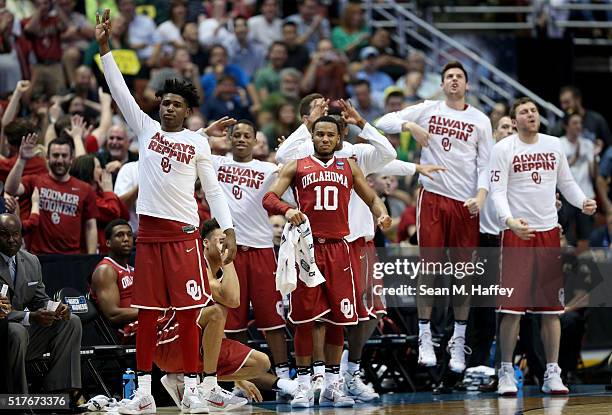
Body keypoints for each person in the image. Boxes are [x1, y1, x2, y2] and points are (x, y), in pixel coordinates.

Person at [95, 10, 237, 414]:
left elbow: (212, 189)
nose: (167, 108)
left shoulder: (199, 143)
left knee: (192, 313)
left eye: (176, 104)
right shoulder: (145, 129)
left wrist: (227, 229)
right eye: (164, 102)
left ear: (188, 110)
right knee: (148, 316)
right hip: (150, 239)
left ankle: (193, 387)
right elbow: (120, 89)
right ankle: (143, 394)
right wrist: (106, 48)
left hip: (184, 237)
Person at [264, 114, 393, 408]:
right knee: (305, 321)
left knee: (338, 319)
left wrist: (382, 214)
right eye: (319, 134)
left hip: (339, 249)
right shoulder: (297, 165)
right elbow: (270, 198)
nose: (324, 139)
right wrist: (287, 209)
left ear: (338, 139)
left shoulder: (349, 165)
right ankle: (304, 386)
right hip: (307, 250)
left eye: (329, 135)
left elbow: (373, 198)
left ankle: (334, 386)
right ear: (313, 137)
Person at [376, 61, 493, 374]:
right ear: (442, 84)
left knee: (464, 274)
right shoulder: (427, 109)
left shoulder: (480, 120)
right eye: (449, 77)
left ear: (467, 84)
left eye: (459, 76)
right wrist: (408, 126)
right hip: (433, 197)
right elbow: (383, 121)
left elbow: (487, 165)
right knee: (429, 267)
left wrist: (481, 196)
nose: (454, 80)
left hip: (465, 202)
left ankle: (458, 339)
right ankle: (424, 335)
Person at [89, 219, 281, 408]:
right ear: (205, 242)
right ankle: (205, 384)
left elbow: (220, 322)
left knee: (260, 363)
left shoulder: (218, 274)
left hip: (193, 340)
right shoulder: (197, 266)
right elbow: (231, 299)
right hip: (164, 337)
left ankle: (191, 380)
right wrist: (228, 260)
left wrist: (239, 378)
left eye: (229, 241)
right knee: (216, 311)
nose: (226, 245)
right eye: (221, 240)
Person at [489, 97, 597, 396]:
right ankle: (506, 371)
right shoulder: (503, 149)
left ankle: (553, 372)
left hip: (549, 234)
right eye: (524, 112)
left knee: (551, 311)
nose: (530, 115)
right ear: (515, 119)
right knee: (512, 310)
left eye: (534, 111)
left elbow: (567, 182)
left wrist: (582, 202)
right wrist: (509, 220)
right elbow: (497, 192)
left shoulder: (553, 144)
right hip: (518, 235)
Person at [204, 120, 292, 398]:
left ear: (256, 141)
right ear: (228, 138)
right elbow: (191, 146)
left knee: (273, 321)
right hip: (229, 253)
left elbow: (292, 180)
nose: (241, 139)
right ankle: (239, 381)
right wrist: (209, 134)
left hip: (262, 249)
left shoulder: (268, 170)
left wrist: (289, 148)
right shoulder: (215, 163)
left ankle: (285, 377)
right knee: (234, 322)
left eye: (247, 136)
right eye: (236, 135)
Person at [2, 213, 82, 398]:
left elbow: (40, 299)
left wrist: (55, 307)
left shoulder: (31, 261)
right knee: (16, 331)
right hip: (4, 333)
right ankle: (18, 399)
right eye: (5, 234)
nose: (12, 240)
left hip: (22, 337)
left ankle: (61, 393)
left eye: (16, 234)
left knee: (71, 322)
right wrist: (30, 317)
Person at [5, 136, 99, 254]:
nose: (59, 160)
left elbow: (90, 226)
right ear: (48, 158)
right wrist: (22, 159)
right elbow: (10, 189)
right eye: (55, 155)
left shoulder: (85, 189)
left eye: (64, 156)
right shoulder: (35, 181)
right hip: (39, 257)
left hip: (71, 259)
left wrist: (90, 258)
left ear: (71, 159)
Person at [69, 154, 130, 253]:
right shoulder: (85, 195)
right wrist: (108, 191)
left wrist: (107, 192)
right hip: (88, 252)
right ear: (88, 171)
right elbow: (113, 214)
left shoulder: (101, 193)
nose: (102, 170)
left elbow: (124, 216)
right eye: (98, 167)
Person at [559, 112, 597, 252]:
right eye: (575, 123)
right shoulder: (559, 144)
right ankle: (569, 263)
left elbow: (594, 174)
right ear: (566, 126)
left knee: (586, 235)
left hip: (586, 195)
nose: (579, 126)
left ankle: (586, 265)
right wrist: (574, 158)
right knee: (567, 234)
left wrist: (595, 155)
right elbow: (558, 172)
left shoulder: (587, 144)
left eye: (580, 123)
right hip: (567, 196)